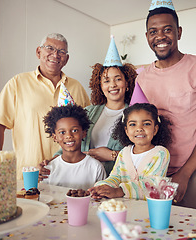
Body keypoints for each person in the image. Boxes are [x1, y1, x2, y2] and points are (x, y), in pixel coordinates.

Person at [134, 1, 196, 210]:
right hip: (153, 170)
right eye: (153, 31)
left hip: (195, 170)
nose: (160, 37)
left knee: (195, 230)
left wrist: (185, 173)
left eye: (167, 30)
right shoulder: (141, 78)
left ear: (179, 32)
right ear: (147, 36)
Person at [0, 33, 90, 179]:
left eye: (61, 52)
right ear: (38, 52)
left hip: (70, 176)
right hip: (28, 175)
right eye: (50, 48)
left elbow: (87, 131)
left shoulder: (77, 87)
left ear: (66, 59)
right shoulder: (17, 83)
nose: (55, 54)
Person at [49, 36, 137, 176]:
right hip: (84, 178)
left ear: (127, 84)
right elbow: (70, 142)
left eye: (118, 79)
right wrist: (51, 161)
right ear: (100, 86)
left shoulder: (135, 117)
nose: (112, 85)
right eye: (106, 81)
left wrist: (112, 155)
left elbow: (143, 154)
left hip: (116, 182)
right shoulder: (88, 112)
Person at [88, 103, 172, 200]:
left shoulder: (160, 153)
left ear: (155, 129)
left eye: (146, 124)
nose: (139, 129)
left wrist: (119, 191)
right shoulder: (124, 153)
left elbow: (152, 185)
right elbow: (115, 177)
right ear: (126, 131)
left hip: (146, 209)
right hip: (123, 207)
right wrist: (102, 187)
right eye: (133, 124)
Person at [41, 104, 106, 189]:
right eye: (62, 132)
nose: (69, 136)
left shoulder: (96, 167)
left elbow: (102, 199)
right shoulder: (49, 168)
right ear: (55, 137)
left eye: (74, 130)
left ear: (84, 133)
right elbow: (45, 197)